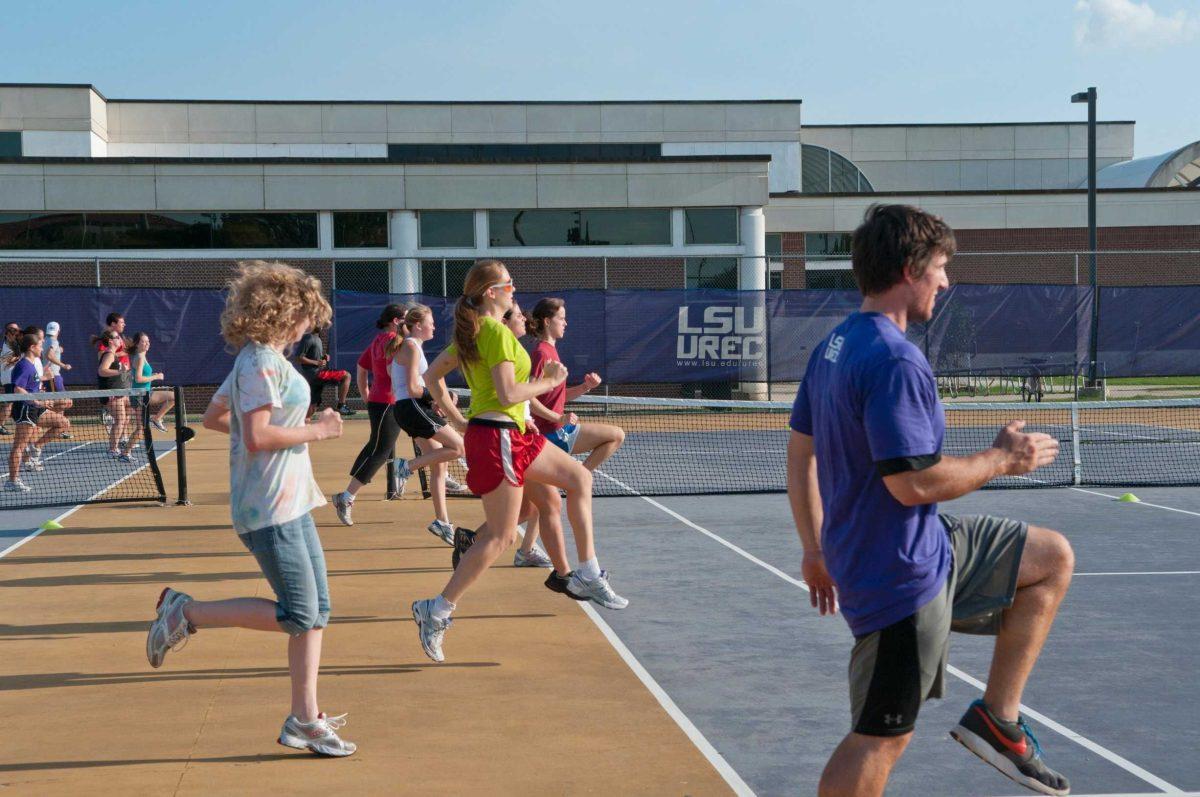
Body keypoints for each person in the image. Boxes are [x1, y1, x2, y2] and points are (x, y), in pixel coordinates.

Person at [786, 205, 1073, 797]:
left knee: (1049, 557)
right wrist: (1004, 459)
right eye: (940, 267)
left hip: (920, 544)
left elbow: (800, 456)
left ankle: (999, 717)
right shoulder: (893, 360)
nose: (945, 280)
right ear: (911, 268)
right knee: (880, 736)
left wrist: (814, 549)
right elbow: (911, 483)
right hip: (897, 574)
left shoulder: (834, 346)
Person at [146, 260, 355, 757]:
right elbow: (258, 435)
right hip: (269, 508)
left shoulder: (261, 361)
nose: (311, 326)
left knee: (316, 612)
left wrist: (266, 432)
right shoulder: (259, 362)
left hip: (290, 501)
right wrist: (316, 430)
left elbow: (220, 416)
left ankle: (305, 719)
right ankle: (186, 612)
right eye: (307, 315)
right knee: (300, 613)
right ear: (285, 313)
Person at [411, 260, 628, 664]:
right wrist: (551, 380)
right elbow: (509, 393)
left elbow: (432, 378)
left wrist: (458, 416)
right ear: (492, 292)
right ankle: (436, 609)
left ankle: (587, 571)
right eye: (509, 285)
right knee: (500, 536)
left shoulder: (476, 332)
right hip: (499, 438)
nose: (515, 290)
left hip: (514, 435)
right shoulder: (491, 330)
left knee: (578, 478)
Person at [514, 297, 626, 568]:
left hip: (560, 431)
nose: (566, 323)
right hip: (547, 436)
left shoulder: (552, 351)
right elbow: (530, 398)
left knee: (541, 505)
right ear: (547, 321)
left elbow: (558, 396)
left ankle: (525, 549)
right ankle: (478, 539)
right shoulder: (541, 352)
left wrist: (585, 388)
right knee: (530, 508)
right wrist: (557, 418)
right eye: (561, 318)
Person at [384, 303, 466, 544]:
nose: (434, 326)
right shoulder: (411, 346)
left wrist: (435, 401)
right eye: (431, 322)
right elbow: (411, 388)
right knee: (459, 447)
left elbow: (398, 379)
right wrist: (435, 398)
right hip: (411, 408)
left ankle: (442, 522)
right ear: (418, 326)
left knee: (439, 465)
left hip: (412, 409)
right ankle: (405, 467)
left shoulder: (411, 346)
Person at [331, 304, 405, 523]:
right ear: (395, 321)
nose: (408, 323)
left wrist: (366, 394)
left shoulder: (378, 340)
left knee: (377, 446)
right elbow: (392, 371)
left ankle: (442, 474)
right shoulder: (394, 340)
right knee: (381, 450)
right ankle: (347, 496)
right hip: (388, 402)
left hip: (382, 401)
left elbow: (361, 367)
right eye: (405, 319)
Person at [5, 333, 70, 493]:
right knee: (18, 446)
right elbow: (18, 389)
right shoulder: (23, 365)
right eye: (40, 345)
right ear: (32, 347)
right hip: (26, 409)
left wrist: (42, 378)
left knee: (63, 423)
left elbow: (30, 381)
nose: (42, 348)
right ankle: (12, 481)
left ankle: (35, 447)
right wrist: (37, 401)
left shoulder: (31, 364)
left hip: (36, 407)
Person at [295, 326, 356, 419]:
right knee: (346, 375)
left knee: (312, 407)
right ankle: (341, 406)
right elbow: (298, 358)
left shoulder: (318, 339)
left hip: (315, 376)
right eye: (317, 322)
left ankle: (302, 427)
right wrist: (316, 362)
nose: (320, 325)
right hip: (315, 374)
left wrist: (323, 358)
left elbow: (316, 358)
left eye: (321, 322)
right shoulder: (308, 338)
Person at [94, 329, 135, 462]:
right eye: (117, 337)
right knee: (120, 420)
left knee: (129, 412)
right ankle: (112, 449)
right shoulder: (109, 354)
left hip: (120, 392)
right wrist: (119, 371)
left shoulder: (114, 354)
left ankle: (116, 446)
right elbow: (102, 371)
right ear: (111, 341)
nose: (120, 339)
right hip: (111, 394)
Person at [130, 332, 176, 433]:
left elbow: (142, 375)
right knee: (140, 429)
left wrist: (152, 375)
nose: (147, 343)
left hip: (146, 393)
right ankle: (156, 419)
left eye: (148, 341)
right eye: (143, 341)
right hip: (140, 396)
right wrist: (156, 376)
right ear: (137, 344)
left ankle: (157, 418)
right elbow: (138, 379)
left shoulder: (142, 356)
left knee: (174, 396)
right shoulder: (140, 358)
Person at [41, 321, 74, 418]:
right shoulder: (54, 341)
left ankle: (58, 424)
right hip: (53, 376)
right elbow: (49, 355)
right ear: (58, 331)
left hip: (48, 375)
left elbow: (47, 352)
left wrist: (58, 349)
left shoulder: (44, 340)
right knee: (64, 401)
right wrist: (63, 365)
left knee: (58, 402)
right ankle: (44, 417)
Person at [0, 322, 22, 435]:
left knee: (13, 402)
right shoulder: (8, 344)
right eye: (13, 330)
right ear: (8, 333)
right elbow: (8, 360)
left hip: (12, 376)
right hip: (9, 377)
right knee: (9, 403)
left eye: (17, 330)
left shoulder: (13, 343)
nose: (16, 332)